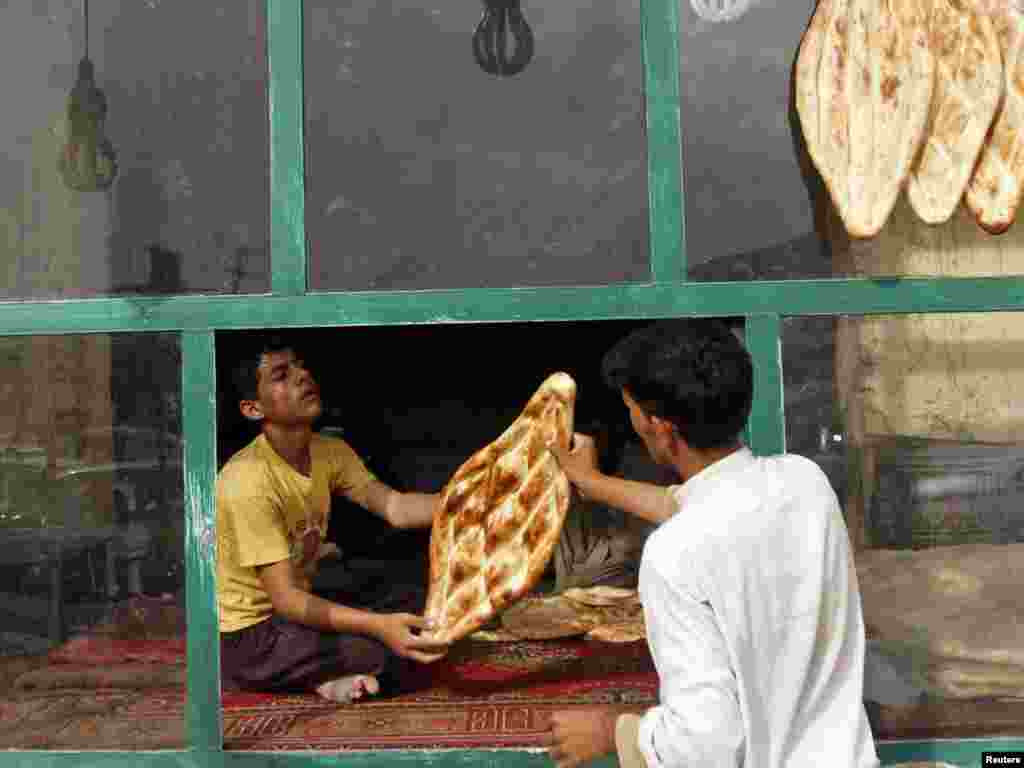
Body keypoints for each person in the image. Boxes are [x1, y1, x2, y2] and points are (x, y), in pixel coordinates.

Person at [542, 319, 878, 768]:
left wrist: (613, 729)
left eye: (631, 409)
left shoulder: (673, 555)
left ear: (659, 427)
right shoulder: (806, 483)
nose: (632, 421)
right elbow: (698, 505)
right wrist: (592, 482)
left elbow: (707, 745)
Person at [216, 334, 449, 704]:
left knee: (423, 607)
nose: (302, 377)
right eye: (281, 375)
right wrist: (380, 626)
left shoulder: (329, 451)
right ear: (252, 409)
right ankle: (324, 677)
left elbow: (397, 509)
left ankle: (327, 672)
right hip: (252, 637)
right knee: (391, 651)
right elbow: (287, 601)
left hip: (297, 611)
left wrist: (471, 502)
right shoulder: (247, 480)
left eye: (300, 367)